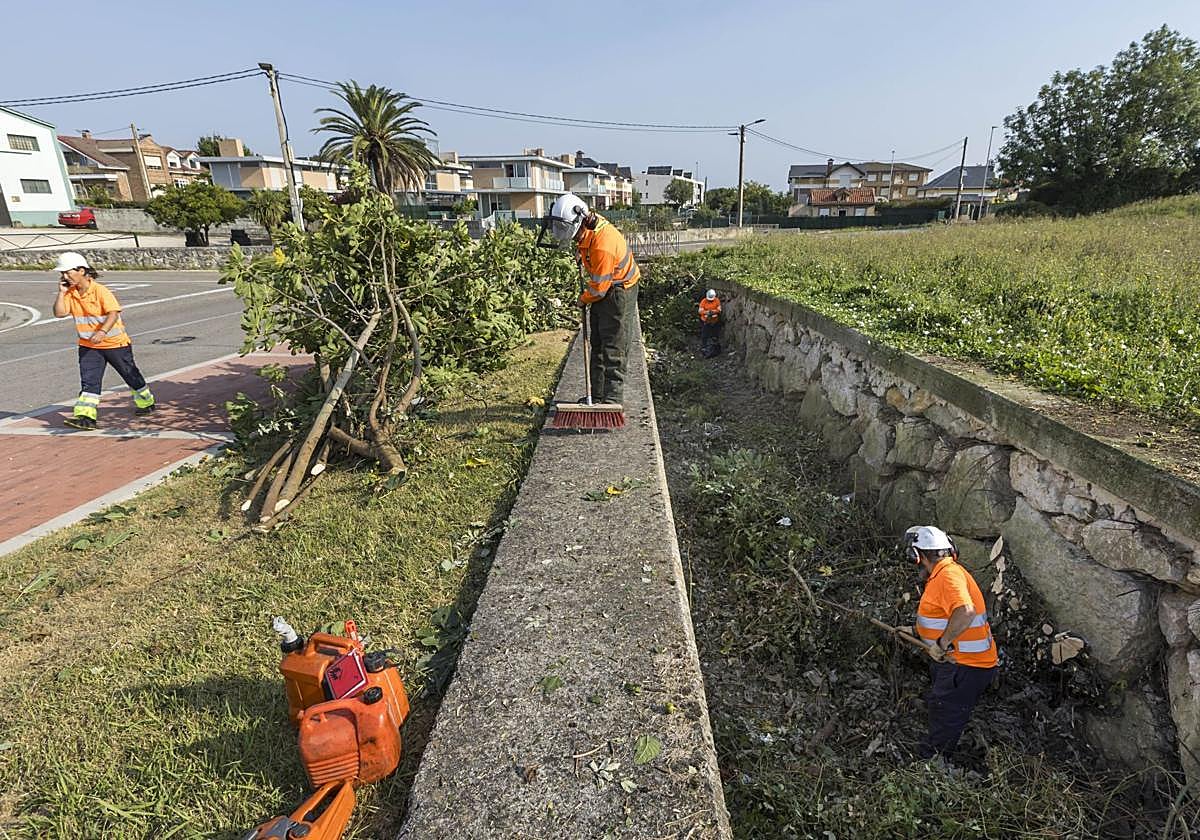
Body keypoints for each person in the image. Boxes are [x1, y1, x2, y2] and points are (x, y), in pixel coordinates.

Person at [903, 525, 998, 761]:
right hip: (959, 662)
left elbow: (965, 612)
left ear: (918, 556)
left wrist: (942, 644)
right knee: (943, 707)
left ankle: (932, 765)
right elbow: (943, 615)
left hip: (965, 666)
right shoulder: (945, 574)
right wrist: (916, 631)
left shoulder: (947, 576)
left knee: (946, 714)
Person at [545, 193, 640, 404]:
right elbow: (597, 276)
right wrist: (582, 253)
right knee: (596, 341)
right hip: (605, 287)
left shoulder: (602, 245)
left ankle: (613, 399)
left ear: (578, 222)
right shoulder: (588, 228)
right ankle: (595, 394)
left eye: (564, 228)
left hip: (619, 291)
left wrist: (583, 299)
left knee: (613, 344)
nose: (560, 232)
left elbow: (599, 289)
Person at [52, 252, 155, 430]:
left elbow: (113, 313)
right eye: (62, 274)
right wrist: (61, 293)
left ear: (81, 270)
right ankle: (86, 417)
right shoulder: (70, 293)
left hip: (115, 344)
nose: (64, 276)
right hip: (88, 346)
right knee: (89, 381)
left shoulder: (100, 290)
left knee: (130, 375)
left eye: (67, 272)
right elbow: (60, 313)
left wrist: (102, 332)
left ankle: (146, 401)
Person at [698, 289, 722, 358]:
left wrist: (713, 311)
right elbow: (700, 311)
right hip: (705, 321)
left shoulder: (717, 300)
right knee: (705, 334)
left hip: (715, 321)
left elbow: (719, 309)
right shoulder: (704, 301)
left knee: (715, 334)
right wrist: (707, 312)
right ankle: (704, 347)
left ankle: (714, 347)